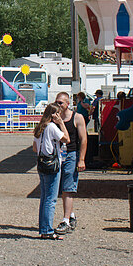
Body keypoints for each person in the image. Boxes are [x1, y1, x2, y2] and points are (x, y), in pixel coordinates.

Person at [32, 102, 69, 239]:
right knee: (51, 199)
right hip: (52, 163)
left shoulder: (39, 127)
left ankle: (43, 227)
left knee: (44, 197)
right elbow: (66, 139)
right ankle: (47, 230)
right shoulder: (52, 127)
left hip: (41, 163)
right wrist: (62, 124)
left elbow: (35, 148)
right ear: (54, 114)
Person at [54, 91, 88, 235]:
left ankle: (66, 220)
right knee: (60, 187)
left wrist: (81, 159)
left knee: (68, 188)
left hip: (71, 154)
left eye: (61, 102)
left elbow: (84, 139)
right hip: (57, 155)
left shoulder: (77, 117)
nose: (58, 105)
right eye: (56, 102)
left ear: (68, 104)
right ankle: (71, 215)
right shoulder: (53, 118)